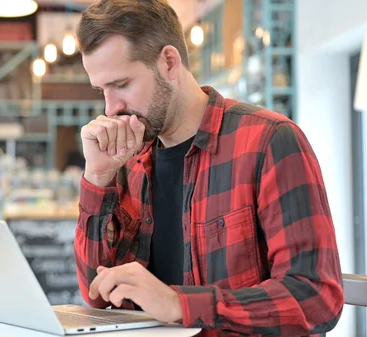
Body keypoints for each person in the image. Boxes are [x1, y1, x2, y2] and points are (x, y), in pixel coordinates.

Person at [73, 1, 344, 336]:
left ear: (169, 62)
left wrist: (179, 304)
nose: (110, 108)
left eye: (122, 84)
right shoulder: (128, 160)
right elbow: (95, 295)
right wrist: (98, 179)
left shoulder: (269, 141)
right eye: (102, 90)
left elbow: (316, 298)